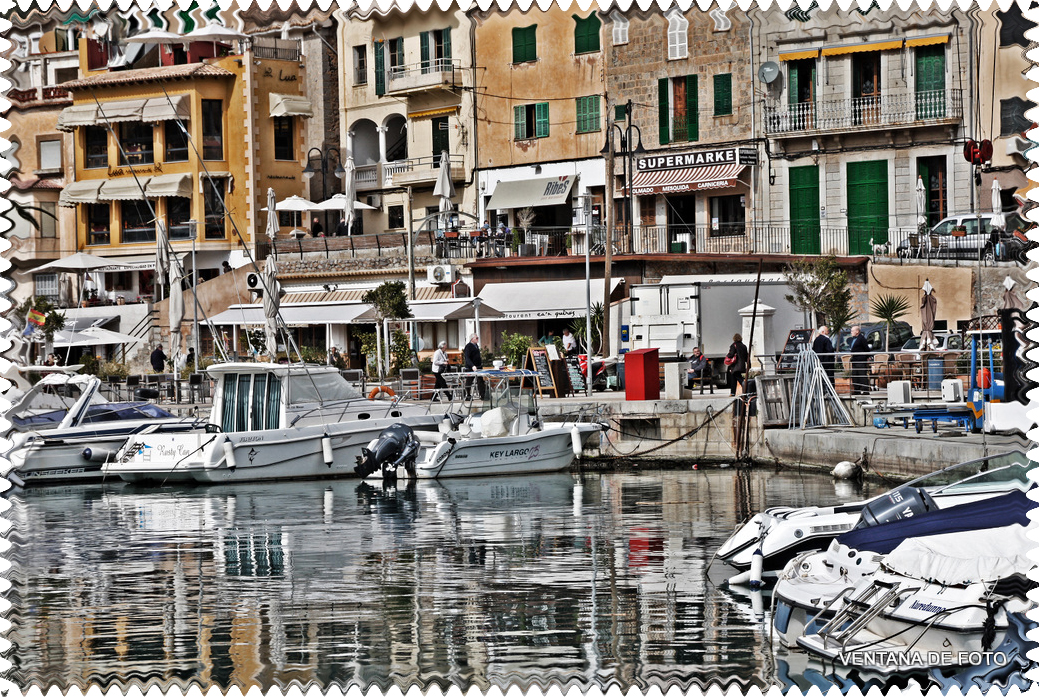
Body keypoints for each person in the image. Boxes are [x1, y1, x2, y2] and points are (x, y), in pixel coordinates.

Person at [848, 325, 871, 395]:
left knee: (862, 375)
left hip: (860, 360)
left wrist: (867, 357)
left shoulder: (862, 339)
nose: (851, 332)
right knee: (855, 375)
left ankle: (865, 390)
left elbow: (867, 349)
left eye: (852, 331)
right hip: (855, 360)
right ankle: (856, 390)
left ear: (857, 331)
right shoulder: (853, 339)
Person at [462, 334, 486, 399]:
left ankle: (483, 395)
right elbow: (467, 357)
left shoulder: (476, 346)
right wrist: (472, 365)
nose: (477, 339)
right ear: (472, 339)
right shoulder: (468, 346)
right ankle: (468, 395)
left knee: (480, 381)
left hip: (478, 366)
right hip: (471, 367)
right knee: (469, 381)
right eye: (476, 338)